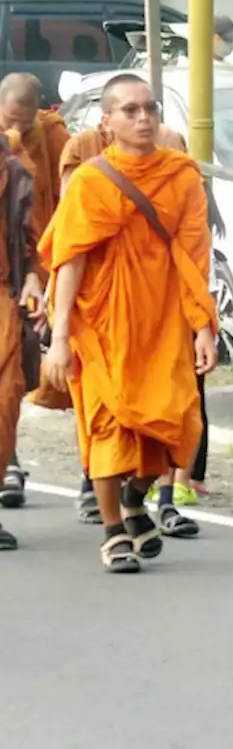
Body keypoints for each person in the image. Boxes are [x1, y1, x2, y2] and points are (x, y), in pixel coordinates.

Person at [41, 73, 218, 573]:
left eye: (150, 109)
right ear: (107, 122)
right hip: (101, 323)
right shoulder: (92, 181)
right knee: (108, 424)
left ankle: (137, 498)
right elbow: (68, 260)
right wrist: (58, 337)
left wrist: (202, 325)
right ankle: (114, 530)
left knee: (177, 421)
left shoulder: (181, 175)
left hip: (163, 319)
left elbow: (193, 255)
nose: (143, 119)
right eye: (131, 111)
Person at [0, 72, 68, 510]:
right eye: (10, 120)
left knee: (11, 383)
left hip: (30, 265)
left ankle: (8, 457)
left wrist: (36, 274)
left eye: (25, 123)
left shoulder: (54, 138)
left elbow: (66, 197)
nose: (18, 130)